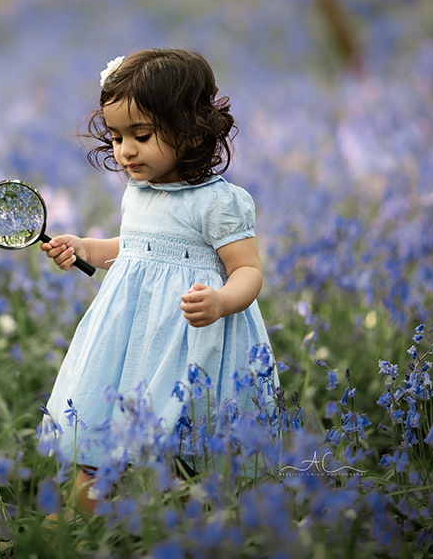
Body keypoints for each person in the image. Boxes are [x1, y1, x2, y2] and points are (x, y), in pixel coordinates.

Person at [40, 48, 278, 513]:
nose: (125, 150)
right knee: (102, 433)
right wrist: (87, 247)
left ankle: (182, 523)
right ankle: (79, 524)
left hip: (189, 341)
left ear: (192, 133)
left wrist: (222, 301)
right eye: (116, 137)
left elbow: (248, 270)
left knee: (180, 444)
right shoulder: (138, 193)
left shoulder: (218, 203)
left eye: (141, 135)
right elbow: (134, 249)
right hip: (129, 340)